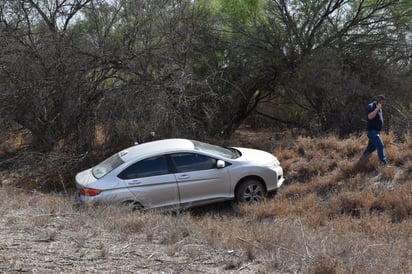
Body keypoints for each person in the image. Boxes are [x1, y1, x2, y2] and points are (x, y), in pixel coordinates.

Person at [360, 95, 389, 165]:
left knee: (371, 148)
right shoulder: (371, 106)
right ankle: (384, 164)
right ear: (378, 102)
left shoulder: (380, 108)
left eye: (384, 102)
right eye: (382, 102)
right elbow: (369, 117)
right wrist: (377, 109)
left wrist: (379, 108)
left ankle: (362, 159)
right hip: (372, 131)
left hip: (377, 131)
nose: (383, 104)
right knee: (380, 145)